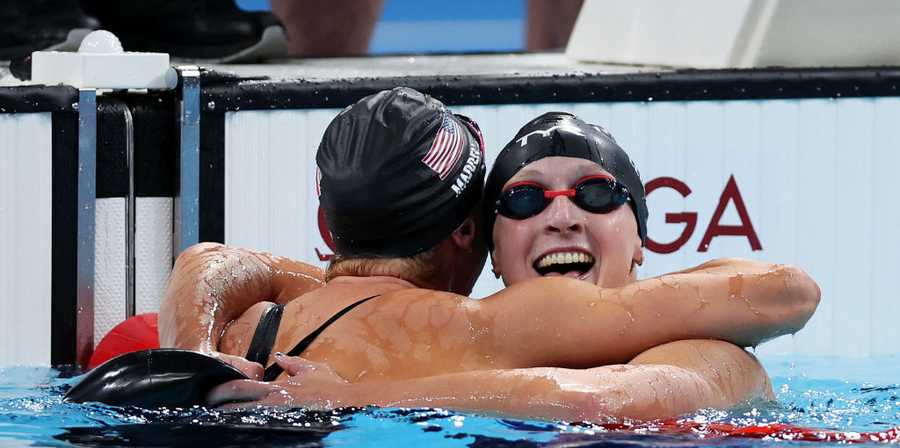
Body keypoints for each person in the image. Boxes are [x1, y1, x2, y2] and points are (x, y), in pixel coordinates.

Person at [161, 87, 820, 422]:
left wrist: (362, 396)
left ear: (645, 233)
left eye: (595, 194)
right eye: (527, 202)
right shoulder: (485, 327)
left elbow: (209, 259)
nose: (562, 216)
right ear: (483, 241)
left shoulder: (714, 358)